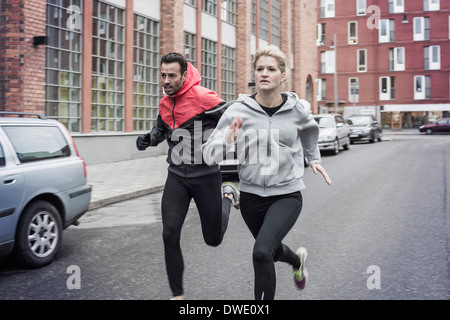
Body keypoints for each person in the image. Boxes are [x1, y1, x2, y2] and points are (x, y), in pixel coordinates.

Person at [203, 45, 332, 300]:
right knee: (269, 250)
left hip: (287, 194)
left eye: (271, 69)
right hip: (251, 196)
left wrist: (313, 157)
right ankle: (296, 260)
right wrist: (228, 139)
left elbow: (309, 130)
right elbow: (209, 155)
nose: (264, 73)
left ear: (282, 75)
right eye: (259, 68)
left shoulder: (297, 109)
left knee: (261, 252)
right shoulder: (238, 110)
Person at [136, 52, 239, 300]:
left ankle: (228, 194)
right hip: (177, 177)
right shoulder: (165, 103)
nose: (166, 80)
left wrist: (232, 133)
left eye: (172, 75)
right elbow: (160, 130)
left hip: (206, 176)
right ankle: (177, 296)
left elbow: (234, 114)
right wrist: (149, 139)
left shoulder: (204, 97)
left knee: (213, 239)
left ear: (184, 75)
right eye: (163, 75)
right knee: (169, 234)